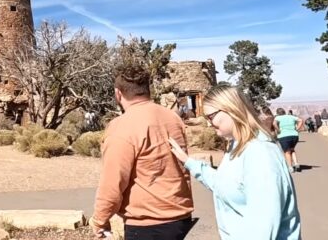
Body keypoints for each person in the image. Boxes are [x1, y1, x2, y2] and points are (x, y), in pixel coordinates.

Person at [168, 86, 301, 240]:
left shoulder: (260, 154)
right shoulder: (237, 147)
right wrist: (188, 161)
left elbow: (264, 224)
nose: (209, 123)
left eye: (211, 116)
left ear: (231, 109)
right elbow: (224, 183)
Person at [90, 65, 194, 240]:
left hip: (148, 223)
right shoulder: (172, 118)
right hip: (179, 216)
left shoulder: (121, 127)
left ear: (118, 93)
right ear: (147, 90)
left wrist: (100, 219)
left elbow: (113, 181)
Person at [274, 108, 303, 172]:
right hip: (294, 135)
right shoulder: (291, 116)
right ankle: (296, 163)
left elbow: (274, 124)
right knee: (292, 149)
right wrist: (297, 128)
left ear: (278, 113)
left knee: (287, 152)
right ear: (284, 112)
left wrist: (278, 130)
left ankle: (290, 167)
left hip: (283, 136)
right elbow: (300, 120)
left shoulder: (278, 118)